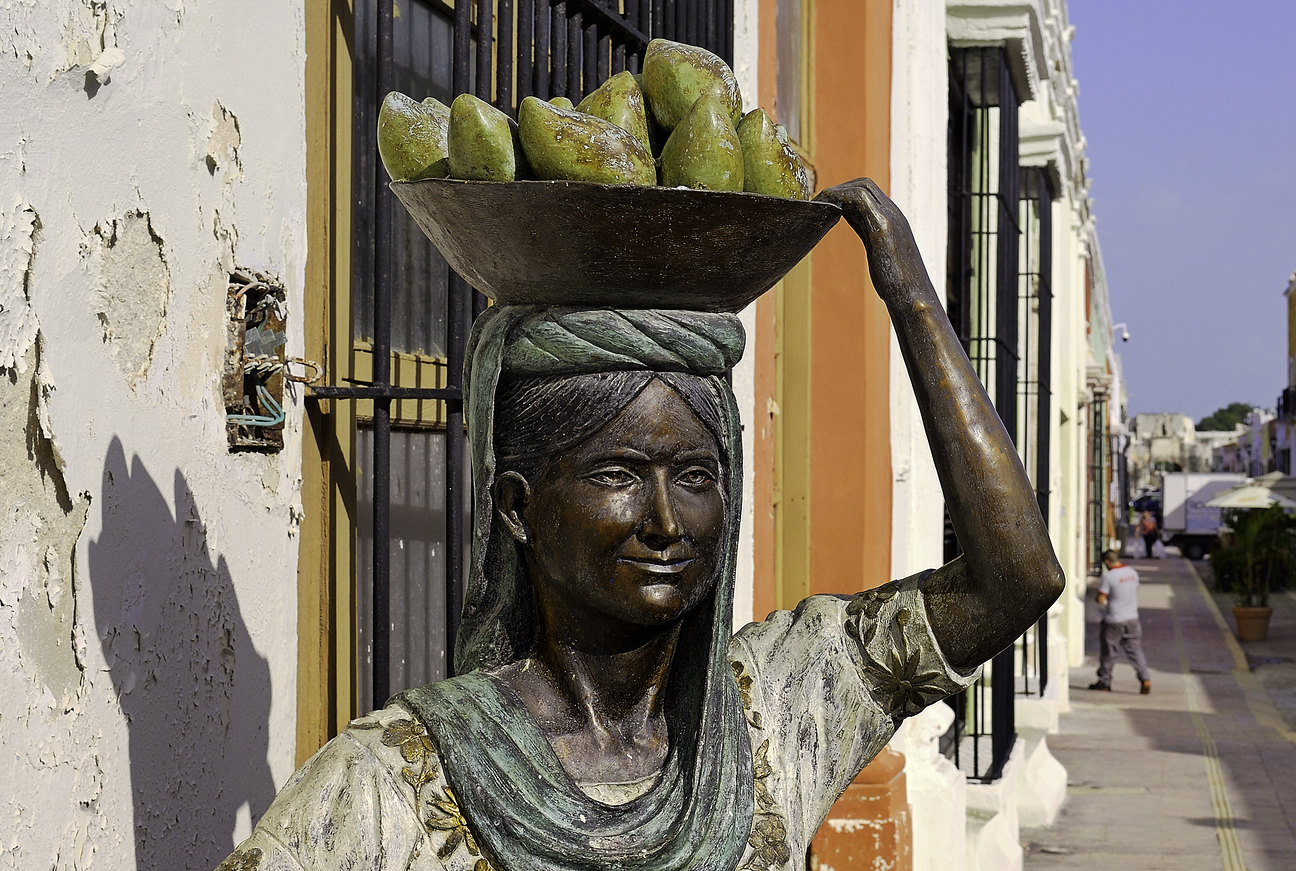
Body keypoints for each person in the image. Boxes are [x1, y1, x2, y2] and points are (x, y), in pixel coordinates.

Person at [217, 180, 1065, 870]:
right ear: (518, 507)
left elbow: (1015, 580)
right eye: (618, 474)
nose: (667, 521)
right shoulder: (393, 779)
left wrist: (914, 303)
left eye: (696, 476)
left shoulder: (774, 709)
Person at [1088, 549, 1152, 694]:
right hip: (1132, 619)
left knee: (1109, 652)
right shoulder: (1132, 573)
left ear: (1107, 562)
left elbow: (1101, 598)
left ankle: (1104, 682)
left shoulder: (1109, 577)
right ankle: (1145, 678)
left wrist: (1098, 599)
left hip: (1114, 620)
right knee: (1135, 650)